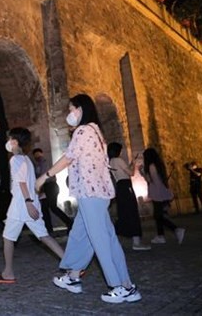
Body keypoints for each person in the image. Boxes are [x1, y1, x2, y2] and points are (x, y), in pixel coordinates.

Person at [35, 94, 141, 304]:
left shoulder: (83, 131)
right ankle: (73, 277)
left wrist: (44, 177)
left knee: (101, 240)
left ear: (81, 109)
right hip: (95, 193)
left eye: (71, 109)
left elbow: (68, 157)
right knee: (80, 235)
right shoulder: (95, 130)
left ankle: (120, 286)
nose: (69, 114)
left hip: (90, 193)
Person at [0, 127, 64, 284]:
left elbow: (22, 183)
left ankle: (8, 272)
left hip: (21, 204)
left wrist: (28, 203)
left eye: (10, 139)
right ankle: (70, 264)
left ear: (15, 142)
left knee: (8, 238)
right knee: (43, 235)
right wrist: (31, 203)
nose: (8, 142)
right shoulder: (27, 160)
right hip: (30, 203)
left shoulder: (15, 160)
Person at [107, 143, 150, 251]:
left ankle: (116, 239)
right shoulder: (119, 160)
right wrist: (134, 165)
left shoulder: (111, 161)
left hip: (120, 187)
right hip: (126, 186)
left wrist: (131, 164)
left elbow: (122, 173)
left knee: (123, 213)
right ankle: (136, 242)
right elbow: (130, 173)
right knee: (132, 212)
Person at [140, 148, 185, 245]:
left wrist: (143, 173)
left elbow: (153, 181)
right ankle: (161, 236)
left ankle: (176, 229)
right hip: (159, 192)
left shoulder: (151, 166)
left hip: (157, 193)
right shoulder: (158, 165)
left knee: (158, 216)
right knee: (158, 216)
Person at [33, 148, 73, 235]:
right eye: (36, 155)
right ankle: (49, 228)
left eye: (38, 155)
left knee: (52, 207)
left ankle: (69, 222)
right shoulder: (37, 165)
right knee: (45, 208)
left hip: (50, 186)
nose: (37, 157)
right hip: (45, 188)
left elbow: (44, 175)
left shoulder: (44, 163)